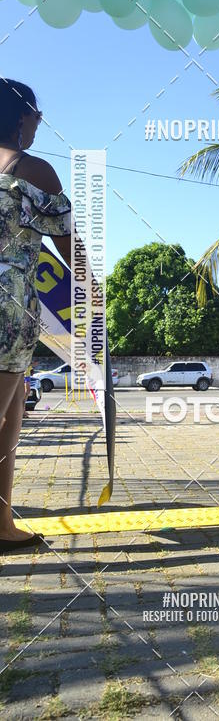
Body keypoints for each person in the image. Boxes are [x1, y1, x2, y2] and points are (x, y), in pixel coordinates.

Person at [0, 80, 71, 553]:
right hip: (7, 309)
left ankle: (3, 525)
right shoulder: (33, 171)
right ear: (22, 118)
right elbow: (69, 246)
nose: (39, 122)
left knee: (10, 420)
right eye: (36, 113)